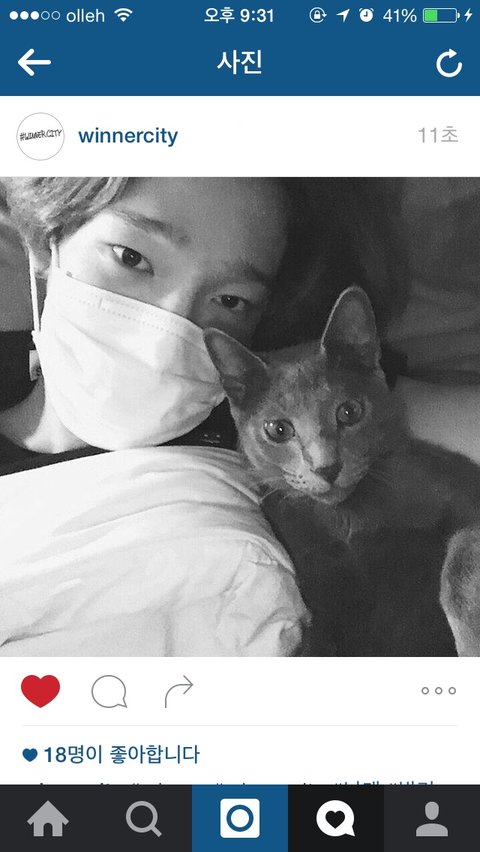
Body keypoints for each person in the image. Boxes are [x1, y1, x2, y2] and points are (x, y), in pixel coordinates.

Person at [0, 177, 477, 655]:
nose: (170, 332)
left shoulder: (275, 392)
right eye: (131, 257)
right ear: (44, 239)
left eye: (231, 300)